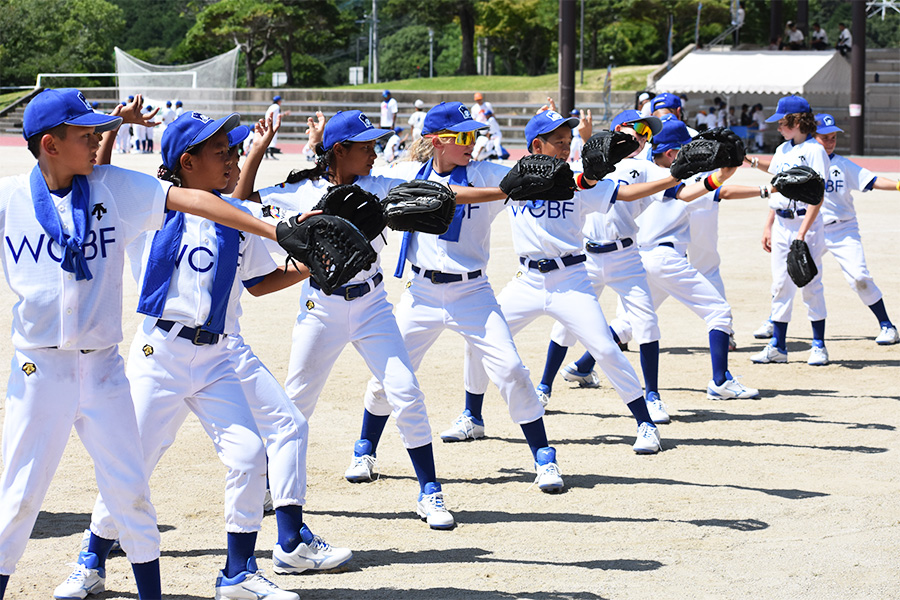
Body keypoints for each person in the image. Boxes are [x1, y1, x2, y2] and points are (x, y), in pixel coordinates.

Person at [0, 88, 282, 600]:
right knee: (19, 498)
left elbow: (197, 200)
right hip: (40, 371)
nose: (100, 140)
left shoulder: (111, 188)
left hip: (105, 370)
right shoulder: (9, 200)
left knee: (131, 492)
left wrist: (275, 229)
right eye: (88, 135)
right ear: (49, 145)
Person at [248, 110, 456, 529]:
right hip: (320, 308)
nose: (374, 154)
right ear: (339, 150)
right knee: (297, 403)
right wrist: (257, 149)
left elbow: (434, 193)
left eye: (376, 146)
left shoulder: (376, 187)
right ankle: (269, 486)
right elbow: (244, 198)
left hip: (373, 305)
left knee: (406, 391)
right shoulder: (301, 190)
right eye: (366, 147)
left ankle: (430, 491)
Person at [467, 108, 712, 455]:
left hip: (570, 279)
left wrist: (676, 175)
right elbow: (467, 180)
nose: (566, 148)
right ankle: (471, 417)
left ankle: (645, 424)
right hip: (526, 279)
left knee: (606, 348)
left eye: (569, 141)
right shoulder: (510, 174)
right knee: (480, 337)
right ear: (537, 144)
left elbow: (626, 194)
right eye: (559, 142)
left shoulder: (579, 178)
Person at [360, 101, 566, 489]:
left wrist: (550, 156)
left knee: (510, 370)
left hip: (473, 291)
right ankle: (365, 448)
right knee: (387, 375)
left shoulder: (485, 171)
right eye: (464, 136)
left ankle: (544, 456)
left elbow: (531, 178)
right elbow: (362, 184)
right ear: (435, 141)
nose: (473, 142)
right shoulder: (405, 174)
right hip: (420, 292)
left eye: (476, 135)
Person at [633, 116, 760, 400]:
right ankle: (720, 382)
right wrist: (727, 177)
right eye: (686, 150)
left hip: (640, 258)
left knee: (629, 324)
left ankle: (580, 366)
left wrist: (720, 175)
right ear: (670, 154)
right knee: (718, 311)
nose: (695, 154)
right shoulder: (668, 178)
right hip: (664, 257)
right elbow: (696, 193)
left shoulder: (641, 171)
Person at [749, 95, 830, 366]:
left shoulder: (815, 151)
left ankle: (818, 345)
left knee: (809, 283)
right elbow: (777, 182)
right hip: (783, 223)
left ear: (797, 121)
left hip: (804, 226)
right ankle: (778, 347)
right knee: (781, 284)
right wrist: (769, 225)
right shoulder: (783, 149)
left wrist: (801, 234)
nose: (779, 127)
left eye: (783, 122)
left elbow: (816, 197)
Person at [813, 113, 898, 344]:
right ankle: (774, 323)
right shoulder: (803, 163)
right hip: (811, 230)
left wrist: (899, 185)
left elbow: (873, 181)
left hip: (842, 229)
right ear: (812, 137)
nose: (830, 142)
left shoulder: (842, 165)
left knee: (859, 277)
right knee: (790, 276)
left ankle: (887, 325)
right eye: (824, 137)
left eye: (833, 137)